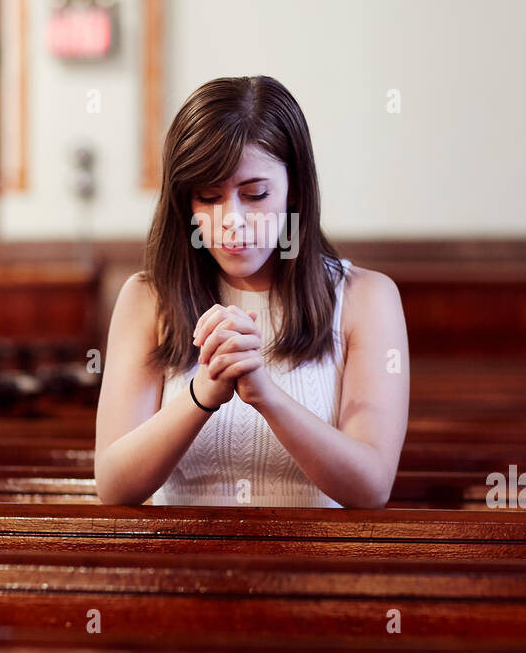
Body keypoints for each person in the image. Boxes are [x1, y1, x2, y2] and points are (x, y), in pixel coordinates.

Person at [94, 76, 410, 507]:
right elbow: (113, 486)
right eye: (208, 197)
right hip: (178, 565)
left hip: (322, 567)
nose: (232, 221)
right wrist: (201, 395)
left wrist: (266, 395)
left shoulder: (366, 298)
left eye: (255, 194)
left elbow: (371, 487)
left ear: (294, 189)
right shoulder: (148, 299)